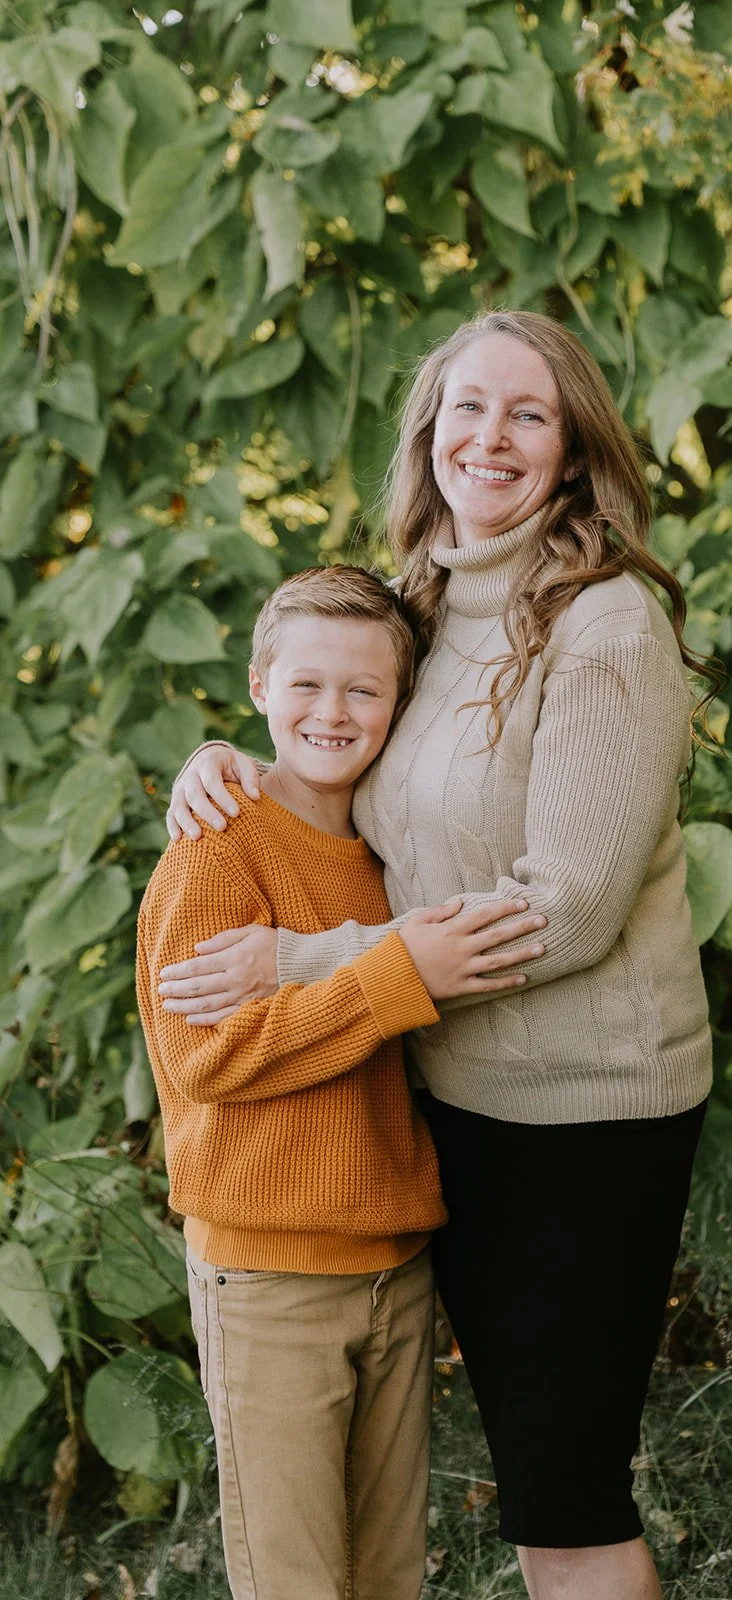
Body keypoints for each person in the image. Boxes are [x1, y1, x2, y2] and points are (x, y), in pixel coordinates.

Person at [162, 310, 716, 1600]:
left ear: (573, 448)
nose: (493, 437)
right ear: (428, 435)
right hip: (456, 1100)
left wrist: (310, 965)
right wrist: (237, 765)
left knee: (566, 1500)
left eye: (529, 413)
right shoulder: (423, 603)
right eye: (468, 408)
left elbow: (565, 907)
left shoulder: (604, 624)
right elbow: (354, 764)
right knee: (531, 1486)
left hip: (583, 1120)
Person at [137, 564, 547, 1600]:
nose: (334, 711)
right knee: (297, 1581)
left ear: (399, 706)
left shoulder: (390, 849)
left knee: (386, 1576)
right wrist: (391, 977)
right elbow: (203, 1056)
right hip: (270, 1278)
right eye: (307, 685)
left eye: (364, 690)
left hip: (394, 1265)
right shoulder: (215, 844)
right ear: (259, 682)